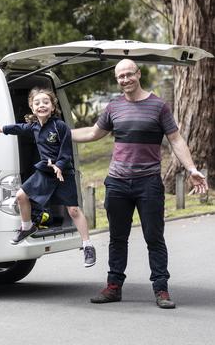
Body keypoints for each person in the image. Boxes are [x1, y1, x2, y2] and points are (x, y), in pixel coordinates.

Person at [72, 58, 208, 309]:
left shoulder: (158, 106)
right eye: (120, 77)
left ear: (138, 74)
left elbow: (176, 140)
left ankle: (161, 289)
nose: (125, 80)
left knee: (154, 238)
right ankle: (113, 287)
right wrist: (58, 132)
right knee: (117, 237)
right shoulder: (114, 107)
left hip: (148, 183)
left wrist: (191, 168)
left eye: (128, 74)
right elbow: (92, 133)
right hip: (118, 183)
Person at [0, 88, 96, 267]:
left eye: (46, 102)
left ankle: (87, 245)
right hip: (44, 172)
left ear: (53, 106)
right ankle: (27, 226)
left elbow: (66, 151)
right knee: (21, 196)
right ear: (32, 107)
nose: (41, 105)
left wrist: (59, 166)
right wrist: (1, 129)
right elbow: (19, 128)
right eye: (37, 103)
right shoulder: (35, 126)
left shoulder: (60, 126)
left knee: (73, 210)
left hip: (63, 174)